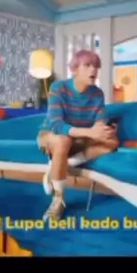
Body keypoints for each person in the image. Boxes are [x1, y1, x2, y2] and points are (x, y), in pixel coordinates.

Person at [37, 50, 119, 220]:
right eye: (87, 65)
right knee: (63, 140)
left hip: (79, 138)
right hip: (51, 135)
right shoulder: (58, 88)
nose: (93, 70)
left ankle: (59, 167)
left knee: (113, 142)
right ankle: (58, 200)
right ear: (74, 70)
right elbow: (57, 125)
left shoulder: (97, 94)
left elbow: (100, 120)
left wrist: (104, 130)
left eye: (96, 66)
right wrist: (90, 132)